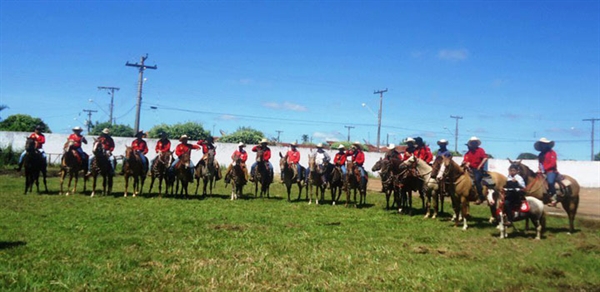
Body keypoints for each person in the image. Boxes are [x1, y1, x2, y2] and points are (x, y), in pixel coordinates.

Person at [462, 136, 488, 205]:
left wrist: (480, 166)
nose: (473, 144)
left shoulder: (480, 150)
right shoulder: (468, 153)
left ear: (477, 143)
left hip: (478, 169)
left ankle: (480, 196)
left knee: (476, 180)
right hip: (469, 169)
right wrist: (466, 164)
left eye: (475, 143)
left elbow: (485, 158)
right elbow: (465, 160)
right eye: (472, 143)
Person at [535, 137, 559, 207]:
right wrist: (539, 169)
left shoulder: (552, 153)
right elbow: (540, 164)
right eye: (542, 144)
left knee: (550, 181)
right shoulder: (540, 155)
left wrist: (544, 169)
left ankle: (554, 197)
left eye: (544, 144)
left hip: (551, 171)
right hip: (542, 171)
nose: (543, 145)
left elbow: (553, 163)